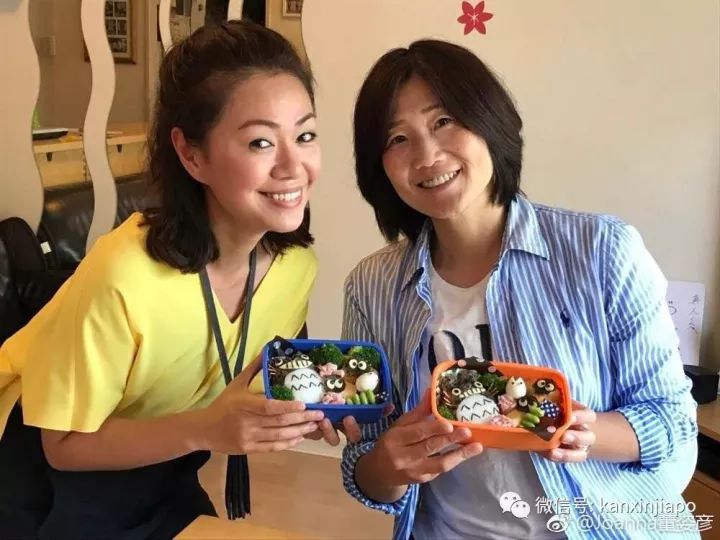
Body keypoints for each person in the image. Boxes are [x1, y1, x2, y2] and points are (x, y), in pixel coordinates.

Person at [339, 39, 699, 540]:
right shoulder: (371, 286)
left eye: (443, 121)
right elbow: (367, 467)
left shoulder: (601, 250)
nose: (426, 155)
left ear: (489, 119)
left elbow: (674, 425)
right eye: (397, 138)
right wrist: (389, 463)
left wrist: (582, 431)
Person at [0, 20, 337, 540]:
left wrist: (315, 405)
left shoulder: (294, 269)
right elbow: (62, 446)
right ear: (192, 155)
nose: (293, 166)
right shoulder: (124, 275)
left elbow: (243, 379)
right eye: (261, 142)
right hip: (44, 487)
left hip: (163, 470)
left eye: (305, 135)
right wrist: (206, 429)